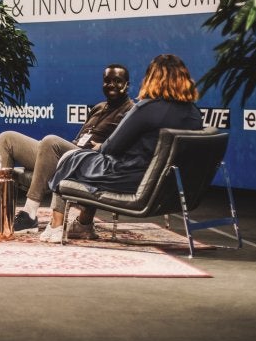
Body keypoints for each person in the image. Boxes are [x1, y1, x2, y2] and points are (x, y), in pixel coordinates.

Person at [42, 54, 203, 242]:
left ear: (152, 78)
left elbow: (112, 147)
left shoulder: (147, 109)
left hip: (130, 179)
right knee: (81, 159)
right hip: (171, 187)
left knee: (71, 157)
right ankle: (83, 225)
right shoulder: (194, 114)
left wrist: (99, 147)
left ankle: (56, 226)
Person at [0, 64, 133, 234]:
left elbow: (123, 147)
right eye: (107, 81)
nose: (111, 84)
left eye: (117, 81)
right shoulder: (98, 107)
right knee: (7, 138)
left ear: (127, 84)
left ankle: (30, 214)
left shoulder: (130, 112)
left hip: (87, 162)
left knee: (50, 141)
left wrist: (102, 147)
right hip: (69, 153)